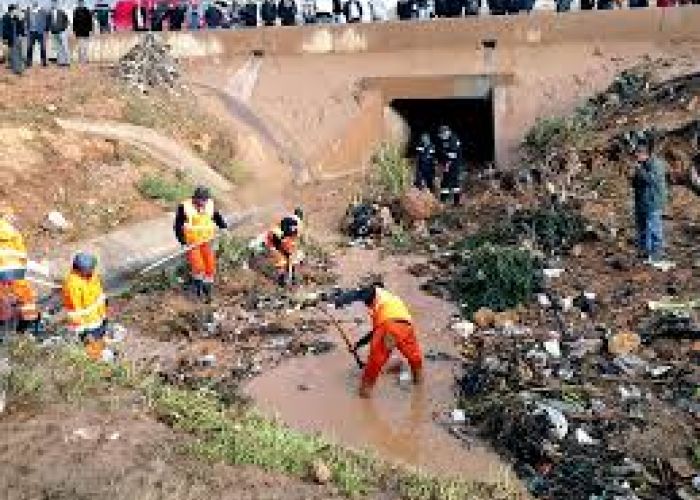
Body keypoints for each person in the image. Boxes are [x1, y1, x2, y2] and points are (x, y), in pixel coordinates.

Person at [333, 282, 423, 398]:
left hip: (390, 327)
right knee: (415, 359)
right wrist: (358, 344)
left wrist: (339, 300)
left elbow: (357, 294)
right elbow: (376, 332)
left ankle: (364, 399)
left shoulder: (376, 291)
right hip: (407, 327)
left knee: (373, 366)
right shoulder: (392, 301)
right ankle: (419, 388)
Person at [174, 186, 228, 301]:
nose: (203, 203)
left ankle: (207, 293)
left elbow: (216, 216)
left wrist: (223, 227)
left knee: (210, 267)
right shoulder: (185, 207)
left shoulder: (209, 205)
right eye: (201, 200)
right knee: (198, 267)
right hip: (192, 243)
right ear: (195, 198)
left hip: (207, 241)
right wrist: (183, 242)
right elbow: (178, 226)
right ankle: (197, 292)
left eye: (205, 200)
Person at [0, 206, 39, 334]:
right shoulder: (14, 233)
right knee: (27, 301)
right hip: (15, 272)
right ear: (6, 217)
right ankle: (26, 331)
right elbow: (22, 255)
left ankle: (3, 331)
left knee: (3, 303)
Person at [62, 253, 108, 361]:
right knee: (91, 347)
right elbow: (75, 310)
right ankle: (95, 363)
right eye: (90, 269)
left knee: (99, 341)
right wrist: (82, 330)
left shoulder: (92, 276)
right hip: (88, 324)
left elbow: (99, 295)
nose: (93, 270)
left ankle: (99, 355)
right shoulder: (72, 285)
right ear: (81, 270)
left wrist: (104, 315)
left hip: (98, 318)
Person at [632, 139, 667, 264]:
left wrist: (639, 171)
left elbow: (651, 180)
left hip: (653, 202)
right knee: (641, 228)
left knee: (653, 228)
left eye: (638, 153)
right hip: (641, 202)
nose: (636, 155)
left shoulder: (656, 164)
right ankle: (644, 252)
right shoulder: (641, 165)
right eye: (635, 153)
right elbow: (636, 184)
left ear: (645, 153)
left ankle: (657, 253)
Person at [436, 125, 464, 206]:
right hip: (449, 164)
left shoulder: (453, 139)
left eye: (441, 135)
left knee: (450, 182)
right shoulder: (445, 140)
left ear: (447, 133)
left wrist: (446, 166)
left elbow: (452, 155)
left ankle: (451, 201)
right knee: (447, 183)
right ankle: (446, 201)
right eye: (440, 135)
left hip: (454, 165)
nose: (441, 137)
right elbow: (441, 153)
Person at [2, 4, 25, 75]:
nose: (16, 11)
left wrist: (22, 34)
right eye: (15, 10)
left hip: (17, 37)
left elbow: (21, 27)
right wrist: (5, 38)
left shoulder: (17, 17)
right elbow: (4, 29)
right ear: (11, 10)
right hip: (11, 38)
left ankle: (18, 67)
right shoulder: (5, 17)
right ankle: (17, 70)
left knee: (18, 53)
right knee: (13, 53)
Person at [24, 1, 47, 68]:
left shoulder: (42, 10)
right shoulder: (28, 11)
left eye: (35, 1)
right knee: (29, 47)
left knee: (42, 47)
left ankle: (43, 62)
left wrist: (43, 30)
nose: (34, 2)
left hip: (40, 32)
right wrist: (26, 30)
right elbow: (26, 21)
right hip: (31, 32)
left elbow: (44, 20)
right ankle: (29, 62)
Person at [47, 0, 69, 67]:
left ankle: (67, 61)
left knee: (65, 46)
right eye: (52, 3)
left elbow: (66, 21)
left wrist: (64, 28)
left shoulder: (61, 12)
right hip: (54, 32)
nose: (54, 4)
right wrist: (50, 29)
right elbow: (48, 22)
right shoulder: (49, 13)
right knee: (58, 47)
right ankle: (60, 62)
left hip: (62, 32)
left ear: (57, 3)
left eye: (55, 3)